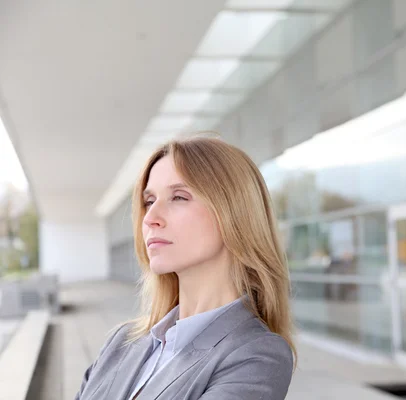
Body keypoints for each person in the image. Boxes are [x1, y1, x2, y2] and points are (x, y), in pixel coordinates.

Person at [75, 136, 296, 400]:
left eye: (179, 197)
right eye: (149, 201)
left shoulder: (257, 355)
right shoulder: (121, 342)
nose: (150, 218)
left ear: (234, 211)